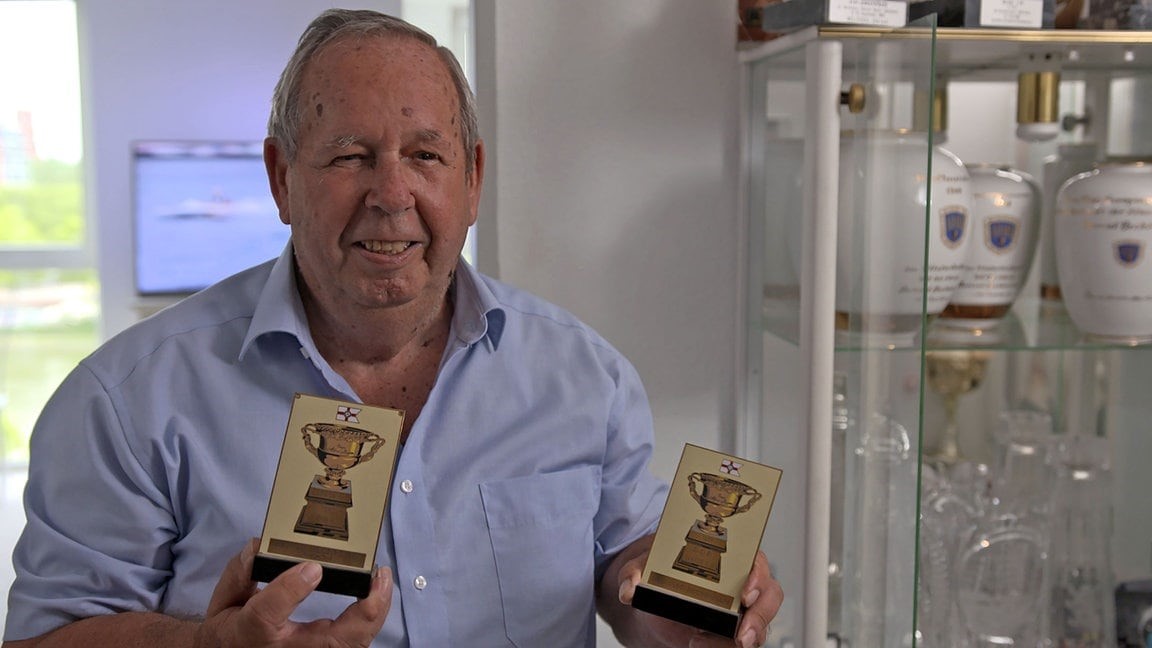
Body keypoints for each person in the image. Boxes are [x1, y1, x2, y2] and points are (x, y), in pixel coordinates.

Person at [2, 9, 782, 648]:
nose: (392, 193)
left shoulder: (588, 377)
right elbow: (51, 635)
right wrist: (204, 647)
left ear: (472, 179)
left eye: (425, 155)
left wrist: (695, 610)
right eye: (349, 156)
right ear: (280, 178)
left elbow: (628, 572)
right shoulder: (124, 400)